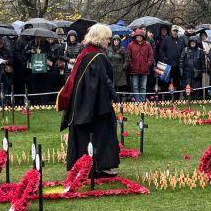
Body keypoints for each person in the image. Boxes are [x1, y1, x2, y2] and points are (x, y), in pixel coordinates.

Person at [59, 23, 119, 177]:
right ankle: (101, 166)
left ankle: (83, 166)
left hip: (81, 103)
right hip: (94, 105)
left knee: (86, 133)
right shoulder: (96, 56)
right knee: (103, 129)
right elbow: (103, 80)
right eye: (107, 38)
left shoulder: (85, 53)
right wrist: (114, 96)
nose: (109, 41)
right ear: (100, 38)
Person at [126, 29, 154, 102]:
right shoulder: (130, 45)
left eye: (140, 36)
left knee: (143, 86)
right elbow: (128, 57)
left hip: (145, 69)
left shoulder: (147, 44)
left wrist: (148, 64)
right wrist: (131, 64)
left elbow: (151, 55)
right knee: (135, 86)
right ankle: (137, 101)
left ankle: (142, 100)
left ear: (143, 36)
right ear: (135, 36)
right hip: (134, 69)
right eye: (137, 36)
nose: (139, 37)